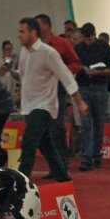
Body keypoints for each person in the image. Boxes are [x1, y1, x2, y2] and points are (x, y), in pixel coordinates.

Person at [16, 17, 87, 182]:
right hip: (28, 105)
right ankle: (63, 177)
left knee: (28, 143)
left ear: (33, 33)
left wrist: (80, 102)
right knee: (46, 145)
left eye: (22, 31)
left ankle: (20, 182)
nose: (18, 35)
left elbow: (66, 76)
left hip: (44, 106)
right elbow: (24, 76)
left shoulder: (48, 53)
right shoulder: (24, 51)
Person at [35, 14, 82, 176]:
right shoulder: (34, 46)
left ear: (47, 26)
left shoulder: (62, 43)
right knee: (44, 129)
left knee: (57, 127)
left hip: (57, 90)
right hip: (40, 92)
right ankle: (54, 166)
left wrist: (62, 73)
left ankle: (63, 166)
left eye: (38, 25)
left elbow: (76, 63)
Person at [75, 22, 110, 171]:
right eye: (85, 40)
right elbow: (73, 65)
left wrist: (97, 72)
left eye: (90, 39)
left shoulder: (103, 46)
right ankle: (87, 158)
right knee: (86, 124)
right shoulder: (78, 48)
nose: (88, 42)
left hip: (100, 87)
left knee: (99, 123)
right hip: (84, 87)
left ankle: (96, 155)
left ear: (94, 35)